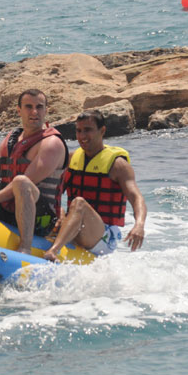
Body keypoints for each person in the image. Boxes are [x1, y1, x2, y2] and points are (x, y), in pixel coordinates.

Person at [0, 89, 68, 253]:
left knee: (21, 182)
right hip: (6, 208)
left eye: (39, 107)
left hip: (41, 219)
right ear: (19, 110)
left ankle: (25, 247)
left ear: (46, 110)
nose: (34, 112)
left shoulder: (52, 144)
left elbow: (27, 181)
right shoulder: (10, 140)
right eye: (28, 107)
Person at [42, 110, 147, 262]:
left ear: (102, 131)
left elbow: (136, 197)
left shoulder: (118, 165)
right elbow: (54, 192)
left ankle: (53, 251)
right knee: (59, 208)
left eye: (88, 130)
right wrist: (59, 212)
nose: (82, 136)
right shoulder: (72, 158)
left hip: (104, 236)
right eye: (79, 131)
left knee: (79, 203)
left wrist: (139, 225)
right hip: (76, 227)